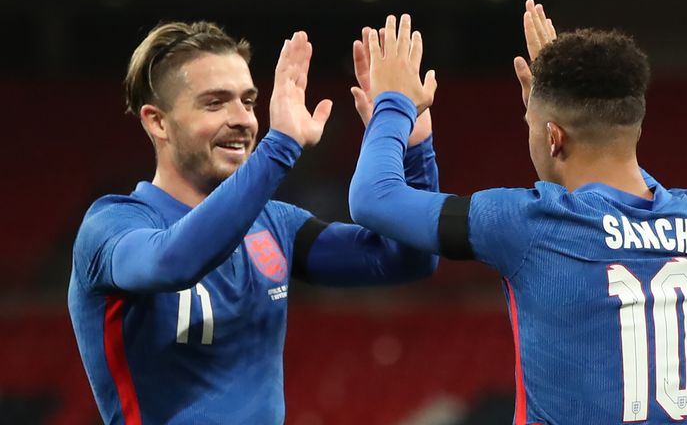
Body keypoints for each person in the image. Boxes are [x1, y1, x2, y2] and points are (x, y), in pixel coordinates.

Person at [349, 1, 687, 425]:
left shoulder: (529, 224)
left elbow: (374, 197)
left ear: (553, 137)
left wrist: (394, 106)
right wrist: (572, 97)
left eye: (530, 120)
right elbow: (624, 182)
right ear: (635, 126)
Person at [68, 21, 440, 424]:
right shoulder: (110, 226)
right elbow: (172, 262)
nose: (243, 120)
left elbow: (408, 257)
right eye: (215, 103)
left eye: (248, 101)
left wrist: (413, 146)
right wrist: (280, 145)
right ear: (157, 122)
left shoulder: (274, 225)